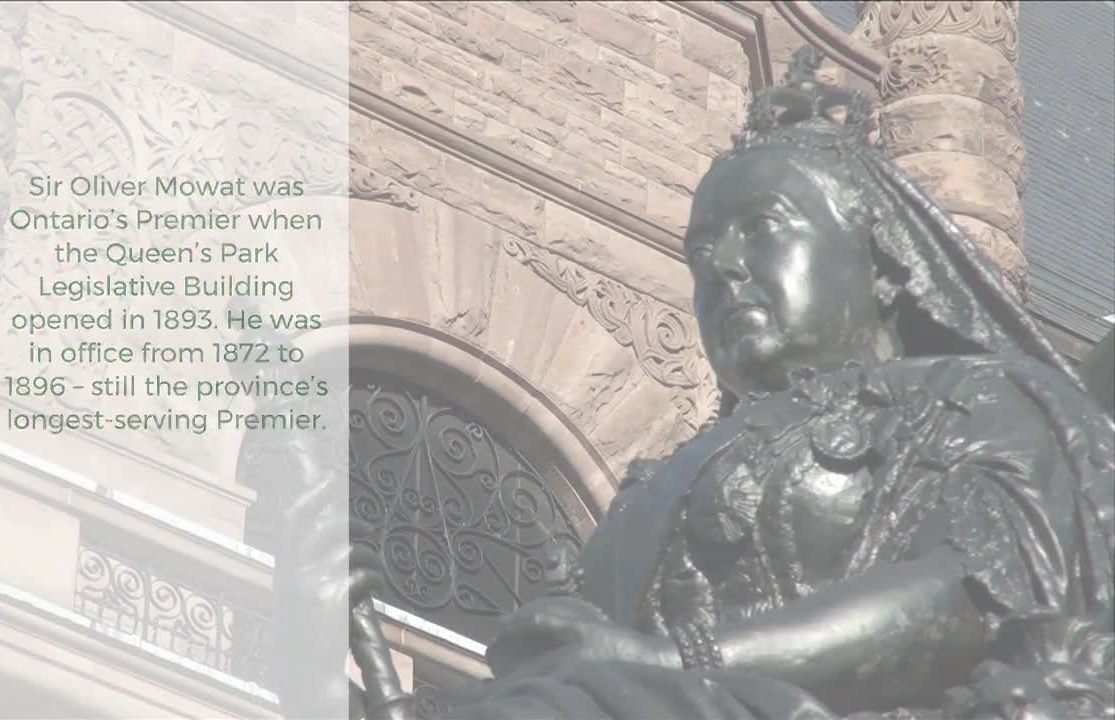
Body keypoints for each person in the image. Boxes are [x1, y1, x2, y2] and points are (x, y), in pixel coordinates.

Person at [322, 47, 1115, 720]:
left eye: (763, 229)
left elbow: (969, 595)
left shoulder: (980, 399)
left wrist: (668, 661)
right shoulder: (650, 487)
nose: (726, 268)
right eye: (702, 254)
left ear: (881, 262)